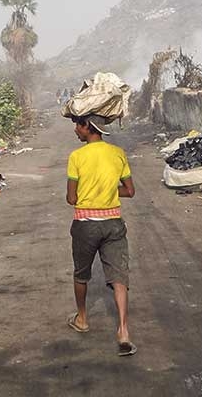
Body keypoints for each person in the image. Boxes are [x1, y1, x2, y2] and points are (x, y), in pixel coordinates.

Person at [65, 114, 136, 356]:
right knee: (119, 278)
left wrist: (88, 194)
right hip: (113, 223)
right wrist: (108, 193)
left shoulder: (77, 157)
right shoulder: (117, 153)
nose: (75, 129)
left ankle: (82, 318)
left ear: (87, 127)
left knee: (81, 274)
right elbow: (130, 191)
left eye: (78, 125)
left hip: (85, 224)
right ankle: (124, 331)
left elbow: (71, 199)